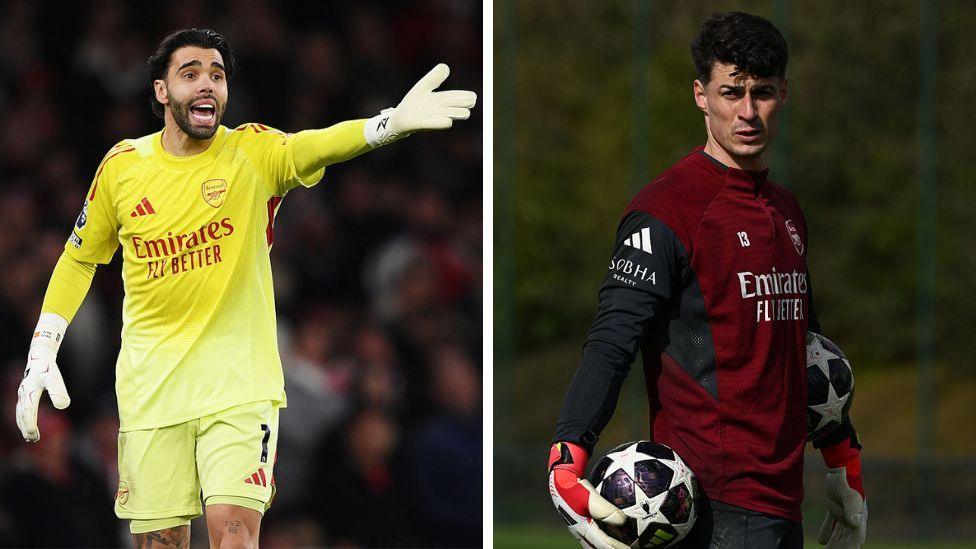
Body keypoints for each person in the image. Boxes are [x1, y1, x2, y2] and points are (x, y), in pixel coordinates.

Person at [14, 27, 476, 549]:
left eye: (217, 74)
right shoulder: (123, 168)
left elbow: (312, 145)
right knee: (160, 542)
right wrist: (43, 347)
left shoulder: (251, 152)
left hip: (238, 389)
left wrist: (384, 126)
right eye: (190, 74)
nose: (207, 84)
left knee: (233, 532)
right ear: (162, 91)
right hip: (151, 392)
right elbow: (79, 259)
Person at [547, 12, 865, 549]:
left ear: (783, 92)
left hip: (784, 500)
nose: (747, 112)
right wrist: (567, 453)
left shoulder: (786, 210)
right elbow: (611, 341)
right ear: (701, 94)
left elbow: (806, 354)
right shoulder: (665, 210)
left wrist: (842, 459)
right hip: (709, 506)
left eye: (762, 93)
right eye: (730, 92)